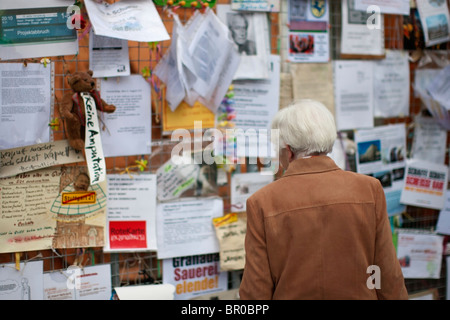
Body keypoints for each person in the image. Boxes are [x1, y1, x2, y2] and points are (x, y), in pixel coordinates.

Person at [239, 99, 408, 300]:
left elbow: (256, 292)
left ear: (289, 150)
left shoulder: (262, 202)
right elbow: (387, 275)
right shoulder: (369, 190)